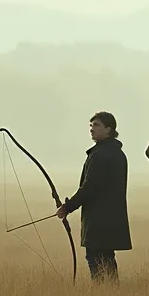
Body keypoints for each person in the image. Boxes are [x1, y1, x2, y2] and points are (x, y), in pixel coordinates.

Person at [57, 111, 132, 282]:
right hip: (111, 219)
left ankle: (101, 295)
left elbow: (89, 188)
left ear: (109, 129)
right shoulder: (117, 154)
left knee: (95, 260)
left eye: (96, 125)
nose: (92, 129)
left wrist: (67, 208)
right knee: (107, 259)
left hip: (99, 219)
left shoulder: (100, 155)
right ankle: (112, 295)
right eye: (91, 126)